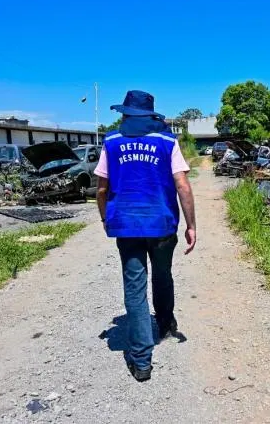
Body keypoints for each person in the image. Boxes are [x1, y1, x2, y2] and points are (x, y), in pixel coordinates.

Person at [94, 90, 196, 382]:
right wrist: (191, 225)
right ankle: (164, 324)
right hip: (162, 224)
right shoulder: (167, 141)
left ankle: (141, 362)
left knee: (134, 288)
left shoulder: (112, 142)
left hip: (127, 226)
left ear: (126, 114)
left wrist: (105, 218)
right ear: (150, 114)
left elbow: (101, 189)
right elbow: (182, 185)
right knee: (162, 275)